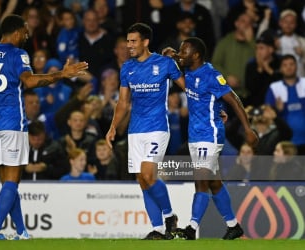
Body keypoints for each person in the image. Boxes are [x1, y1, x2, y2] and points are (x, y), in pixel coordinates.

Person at [0, 14, 88, 240]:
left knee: (8, 182)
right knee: (12, 180)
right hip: (11, 122)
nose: (27, 35)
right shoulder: (18, 54)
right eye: (25, 30)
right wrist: (61, 74)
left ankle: (22, 231)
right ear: (16, 31)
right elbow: (29, 82)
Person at [166, 37, 258, 240]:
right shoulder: (190, 71)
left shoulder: (211, 75)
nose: (182, 54)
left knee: (201, 180)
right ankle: (233, 226)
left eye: (185, 51)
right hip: (195, 136)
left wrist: (248, 128)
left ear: (196, 55)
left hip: (210, 134)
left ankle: (191, 229)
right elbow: (194, 91)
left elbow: (233, 99)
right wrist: (173, 56)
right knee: (214, 182)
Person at [105, 22, 184, 240]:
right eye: (127, 41)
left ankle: (169, 216)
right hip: (135, 130)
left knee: (149, 174)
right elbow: (122, 102)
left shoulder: (165, 63)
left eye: (133, 41)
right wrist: (113, 127)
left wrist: (212, 108)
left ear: (145, 42)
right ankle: (158, 229)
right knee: (142, 180)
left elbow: (187, 86)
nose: (128, 45)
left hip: (157, 127)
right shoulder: (127, 68)